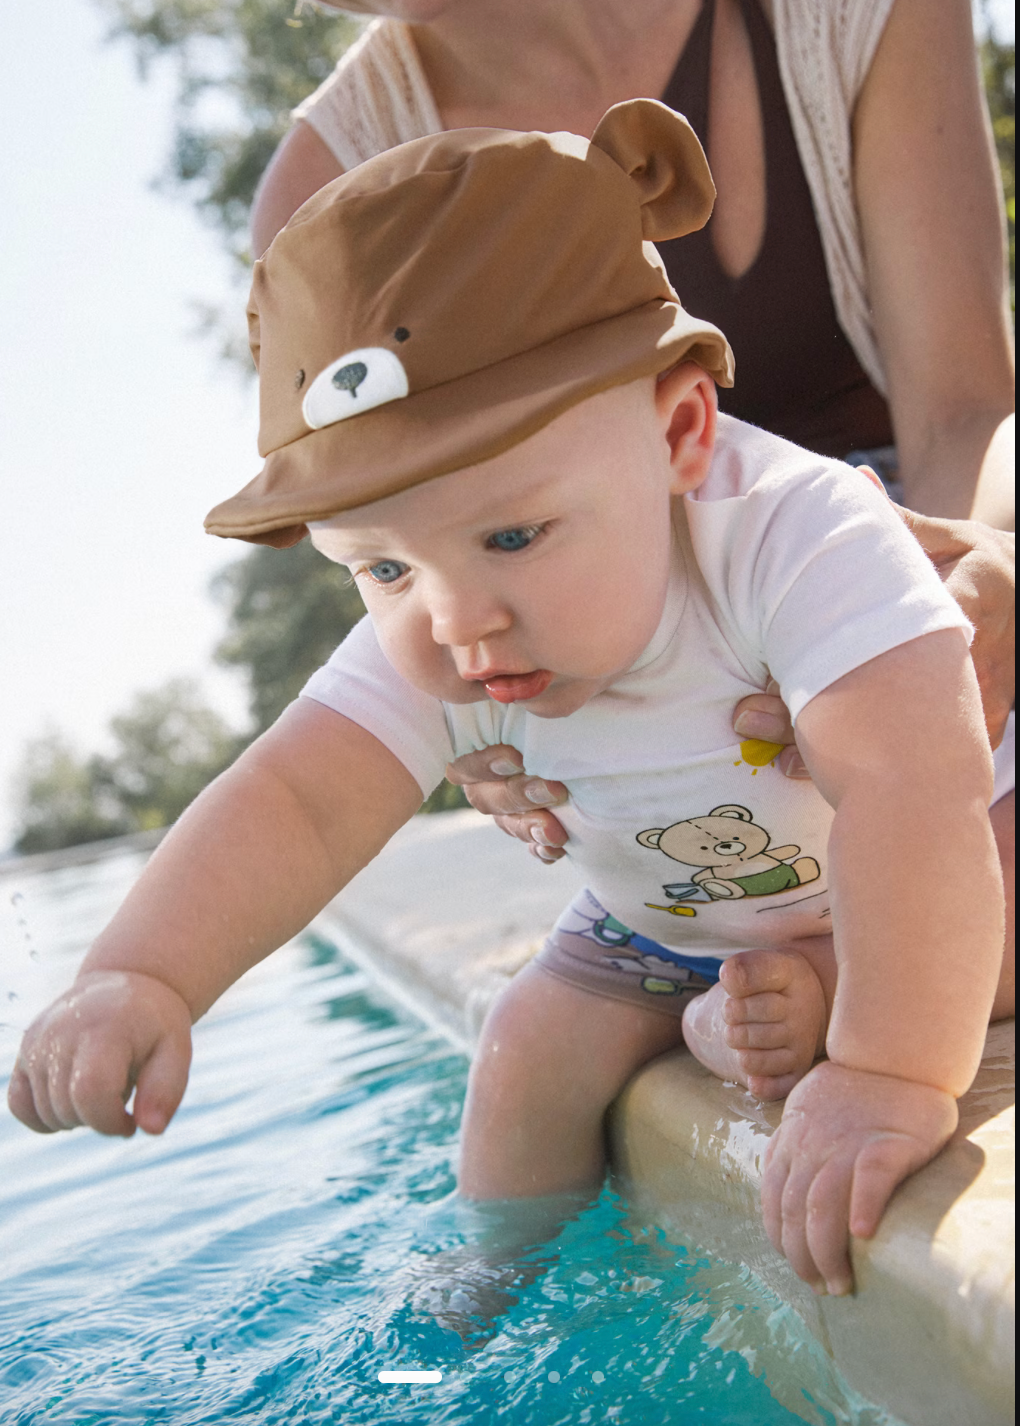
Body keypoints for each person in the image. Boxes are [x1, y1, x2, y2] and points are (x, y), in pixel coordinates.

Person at [9, 105, 1011, 1305]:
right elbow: (297, 799)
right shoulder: (453, 600)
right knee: (528, 1044)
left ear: (681, 430)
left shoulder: (796, 535)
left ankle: (836, 985)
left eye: (515, 533)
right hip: (654, 927)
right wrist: (142, 973)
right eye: (380, 567)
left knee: (992, 906)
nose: (454, 621)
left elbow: (912, 793)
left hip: (923, 863)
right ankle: (494, 1274)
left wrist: (892, 1074)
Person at [254, 0, 1015, 846]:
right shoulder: (322, 196)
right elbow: (407, 558)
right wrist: (485, 709)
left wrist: (969, 572)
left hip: (907, 542)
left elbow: (966, 412)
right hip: (641, 646)